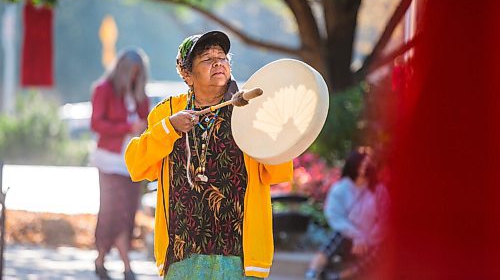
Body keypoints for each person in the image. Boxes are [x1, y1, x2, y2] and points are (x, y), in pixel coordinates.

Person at [125, 30, 293, 279]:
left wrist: (278, 132)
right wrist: (169, 128)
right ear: (187, 74)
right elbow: (136, 166)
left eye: (222, 57)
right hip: (182, 252)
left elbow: (278, 172)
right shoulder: (167, 112)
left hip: (239, 254)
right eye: (206, 58)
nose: (218, 63)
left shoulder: (250, 111)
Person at [90, 48, 150, 280]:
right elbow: (97, 124)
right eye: (131, 73)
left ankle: (102, 260)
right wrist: (126, 128)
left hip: (133, 162)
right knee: (111, 212)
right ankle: (125, 264)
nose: (134, 77)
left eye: (138, 73)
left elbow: (148, 122)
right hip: (109, 161)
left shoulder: (140, 94)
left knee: (128, 212)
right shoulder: (103, 90)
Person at [305, 147, 389, 280]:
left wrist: (368, 238)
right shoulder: (340, 188)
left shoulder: (378, 190)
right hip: (348, 237)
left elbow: (385, 218)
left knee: (380, 252)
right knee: (335, 238)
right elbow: (335, 216)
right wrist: (356, 235)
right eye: (361, 163)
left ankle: (339, 277)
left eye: (368, 163)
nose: (364, 166)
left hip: (372, 240)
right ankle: (312, 273)